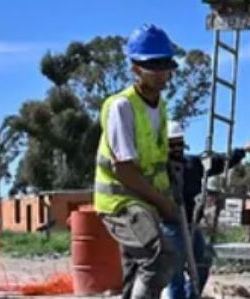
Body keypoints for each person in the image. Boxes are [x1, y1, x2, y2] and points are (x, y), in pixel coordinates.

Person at [94, 24, 180, 299]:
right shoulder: (122, 106)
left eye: (165, 65)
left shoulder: (160, 106)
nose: (161, 72)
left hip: (145, 201)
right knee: (159, 257)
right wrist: (164, 204)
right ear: (135, 69)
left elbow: (156, 158)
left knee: (137, 270)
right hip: (121, 202)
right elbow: (125, 170)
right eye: (152, 66)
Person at [164, 122, 250, 299]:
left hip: (192, 224)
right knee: (175, 274)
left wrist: (242, 151)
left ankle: (192, 296)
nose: (177, 148)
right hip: (170, 226)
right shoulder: (160, 169)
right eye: (172, 144)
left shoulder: (192, 163)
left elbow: (220, 162)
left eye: (179, 143)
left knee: (202, 264)